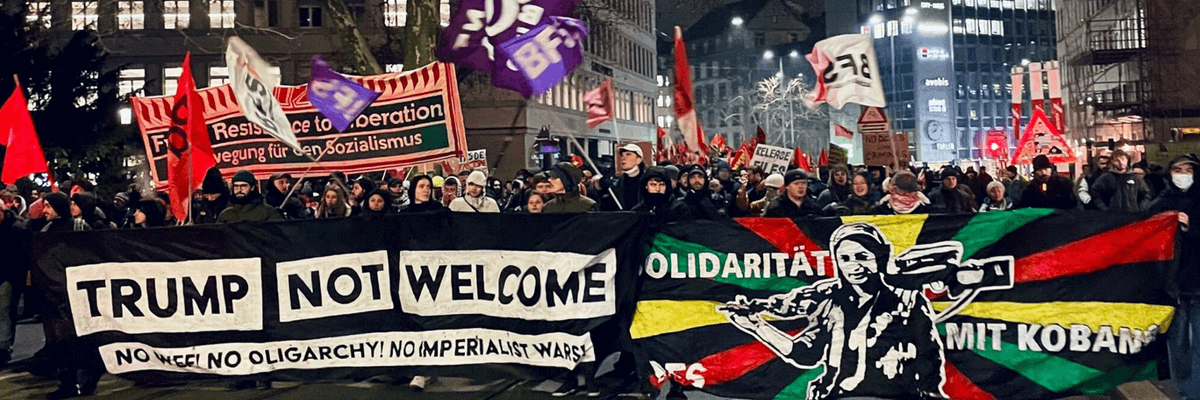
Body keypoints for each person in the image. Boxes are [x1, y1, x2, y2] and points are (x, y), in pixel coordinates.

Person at [1149, 155, 1200, 399]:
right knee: (1177, 342)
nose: (1183, 174)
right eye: (1178, 169)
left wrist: (1191, 228)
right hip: (1174, 283)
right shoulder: (1162, 202)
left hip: (1198, 281)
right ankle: (1185, 389)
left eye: (1188, 169)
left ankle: (1195, 389)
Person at [0, 196, 30, 366]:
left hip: (9, 275)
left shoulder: (16, 228)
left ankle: (3, 348)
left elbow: (21, 256)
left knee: (4, 310)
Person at [217, 171, 283, 223]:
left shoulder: (267, 212)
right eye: (236, 186)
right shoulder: (225, 214)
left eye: (243, 186)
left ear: (252, 187)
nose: (239, 190)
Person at [603, 144, 645, 211]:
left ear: (638, 159)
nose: (623, 158)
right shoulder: (616, 185)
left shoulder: (647, 181)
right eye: (622, 155)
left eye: (628, 154)